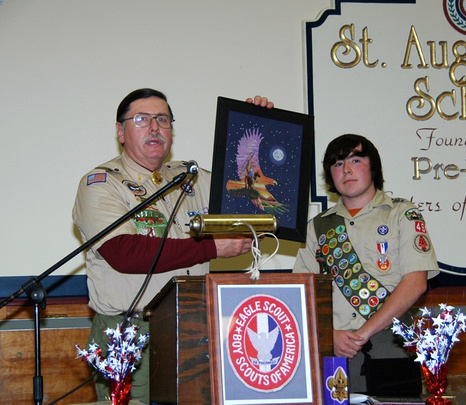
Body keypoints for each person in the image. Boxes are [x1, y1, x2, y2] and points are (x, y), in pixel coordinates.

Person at [72, 88, 273, 403]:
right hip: (129, 333)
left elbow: (252, 198)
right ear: (120, 131)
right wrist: (212, 248)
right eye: (142, 119)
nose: (154, 127)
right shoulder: (101, 183)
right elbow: (124, 253)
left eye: (162, 120)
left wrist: (253, 126)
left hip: (194, 328)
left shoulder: (190, 178)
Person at [293, 134, 439, 394]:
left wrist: (362, 334)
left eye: (355, 160)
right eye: (337, 164)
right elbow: (301, 293)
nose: (346, 170)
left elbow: (416, 284)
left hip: (390, 345)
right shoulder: (317, 227)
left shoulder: (402, 214)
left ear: (373, 167)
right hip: (333, 347)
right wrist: (330, 335)